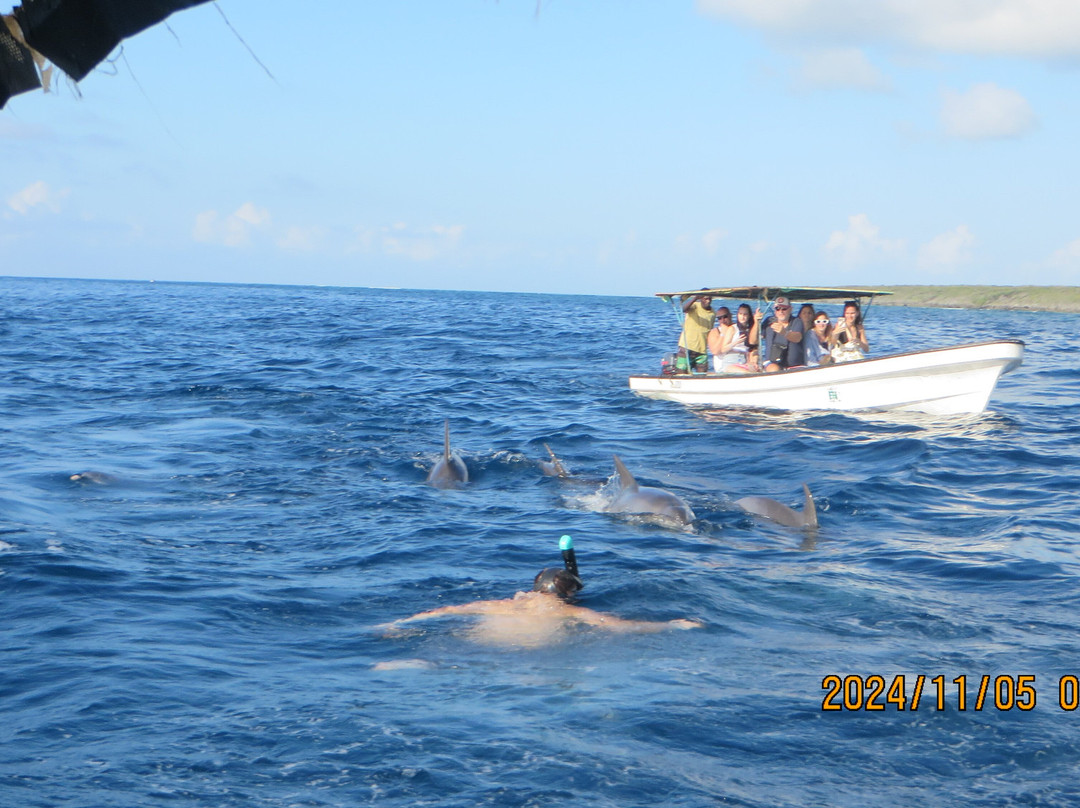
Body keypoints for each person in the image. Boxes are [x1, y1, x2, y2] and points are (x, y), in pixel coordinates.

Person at [380, 538, 702, 648]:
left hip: (477, 641)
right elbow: (618, 626)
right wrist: (672, 624)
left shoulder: (501, 605)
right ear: (567, 595)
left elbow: (445, 611)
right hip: (528, 652)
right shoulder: (566, 611)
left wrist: (399, 623)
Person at [761, 296, 805, 372]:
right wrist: (756, 322)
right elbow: (754, 340)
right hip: (772, 363)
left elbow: (798, 337)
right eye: (778, 308)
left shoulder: (797, 322)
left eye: (784, 309)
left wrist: (784, 333)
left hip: (794, 366)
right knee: (773, 369)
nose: (781, 311)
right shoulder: (769, 321)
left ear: (790, 309)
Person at [707, 305, 757, 373]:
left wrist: (753, 361)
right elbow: (722, 349)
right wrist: (735, 342)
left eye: (745, 314)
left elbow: (753, 347)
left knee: (755, 371)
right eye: (740, 314)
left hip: (744, 359)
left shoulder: (750, 330)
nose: (742, 317)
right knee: (746, 373)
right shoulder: (732, 328)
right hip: (731, 360)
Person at [676, 290, 715, 373]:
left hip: (702, 350)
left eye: (709, 299)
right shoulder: (694, 306)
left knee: (702, 375)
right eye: (705, 298)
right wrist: (695, 298)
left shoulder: (713, 313)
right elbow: (683, 309)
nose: (708, 301)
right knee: (681, 373)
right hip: (686, 347)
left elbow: (710, 330)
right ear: (701, 299)